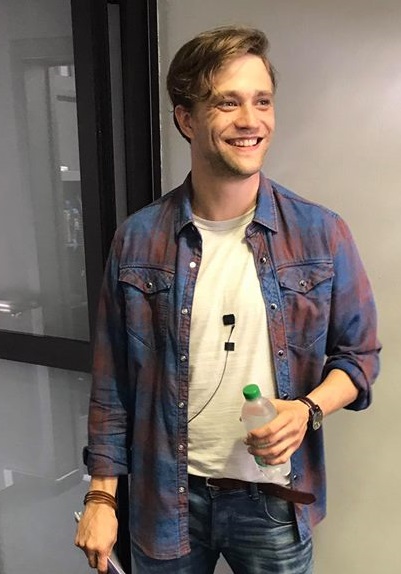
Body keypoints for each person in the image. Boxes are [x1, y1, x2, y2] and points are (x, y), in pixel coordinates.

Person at [75, 26, 381, 574]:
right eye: (227, 102)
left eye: (262, 101)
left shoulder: (321, 234)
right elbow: (112, 382)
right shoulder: (137, 240)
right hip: (166, 500)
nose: (250, 120)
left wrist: (307, 410)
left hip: (273, 503)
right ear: (186, 118)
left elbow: (359, 357)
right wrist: (101, 496)